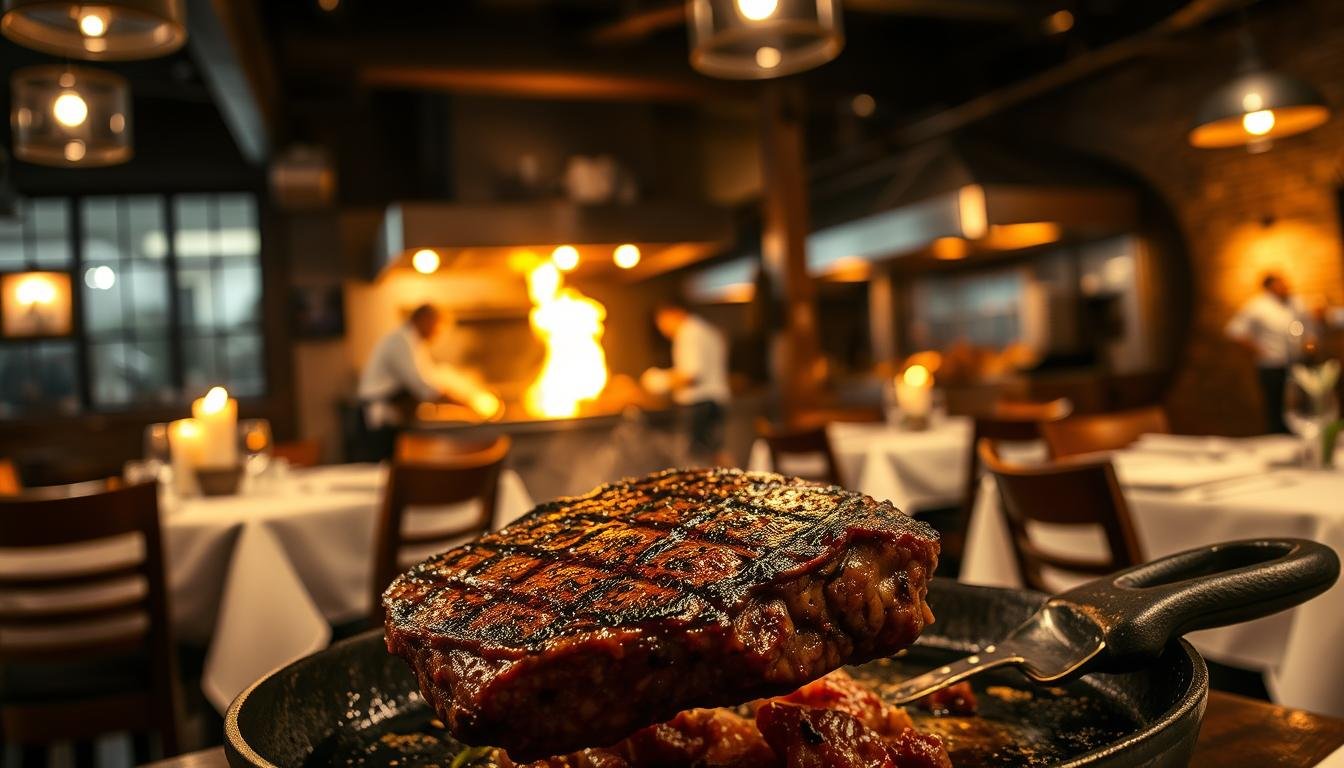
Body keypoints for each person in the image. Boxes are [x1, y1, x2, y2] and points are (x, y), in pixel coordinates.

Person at [356, 304, 501, 459]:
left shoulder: (414, 343)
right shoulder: (400, 341)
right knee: (382, 471)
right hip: (379, 420)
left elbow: (434, 376)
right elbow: (424, 387)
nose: (438, 333)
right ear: (424, 319)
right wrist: (469, 404)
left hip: (392, 419)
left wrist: (470, 391)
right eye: (438, 326)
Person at [1225, 273, 1317, 434]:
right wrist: (1258, 350)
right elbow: (1234, 331)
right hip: (1272, 366)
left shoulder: (1296, 303)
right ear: (1269, 287)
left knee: (1302, 407)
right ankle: (1279, 445)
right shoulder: (1257, 306)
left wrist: (1309, 345)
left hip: (1297, 363)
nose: (1285, 286)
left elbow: (1309, 328)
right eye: (1280, 284)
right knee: (1276, 409)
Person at [642, 299, 732, 464]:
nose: (662, 329)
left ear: (674, 313)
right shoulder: (704, 329)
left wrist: (659, 381)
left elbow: (691, 375)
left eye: (661, 322)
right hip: (712, 401)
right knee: (715, 453)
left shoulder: (689, 333)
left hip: (700, 404)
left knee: (698, 460)